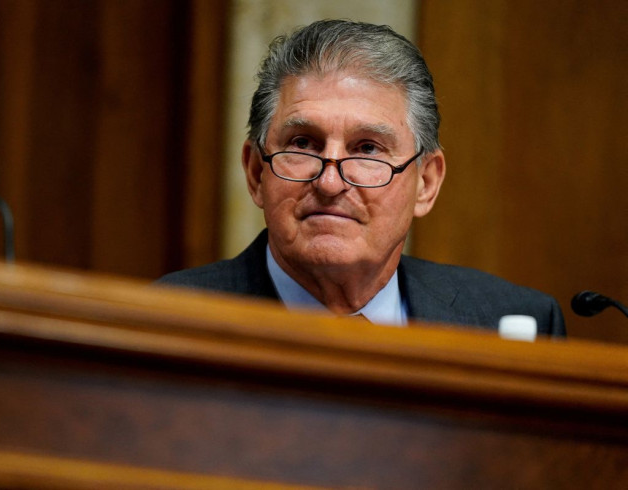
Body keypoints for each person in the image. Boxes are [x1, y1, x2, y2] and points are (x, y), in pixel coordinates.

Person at [157, 20, 565, 336]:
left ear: (426, 183)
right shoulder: (169, 319)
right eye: (303, 143)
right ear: (255, 171)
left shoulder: (511, 320)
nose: (330, 183)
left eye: (368, 149)